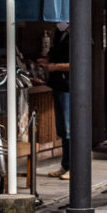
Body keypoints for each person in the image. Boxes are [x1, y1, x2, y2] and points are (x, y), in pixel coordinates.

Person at [42, 22, 70, 180]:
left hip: (70, 87)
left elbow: (79, 63)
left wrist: (55, 66)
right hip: (58, 85)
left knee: (70, 129)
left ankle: (74, 167)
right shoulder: (60, 34)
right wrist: (46, 61)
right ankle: (65, 165)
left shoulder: (80, 33)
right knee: (62, 129)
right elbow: (54, 52)